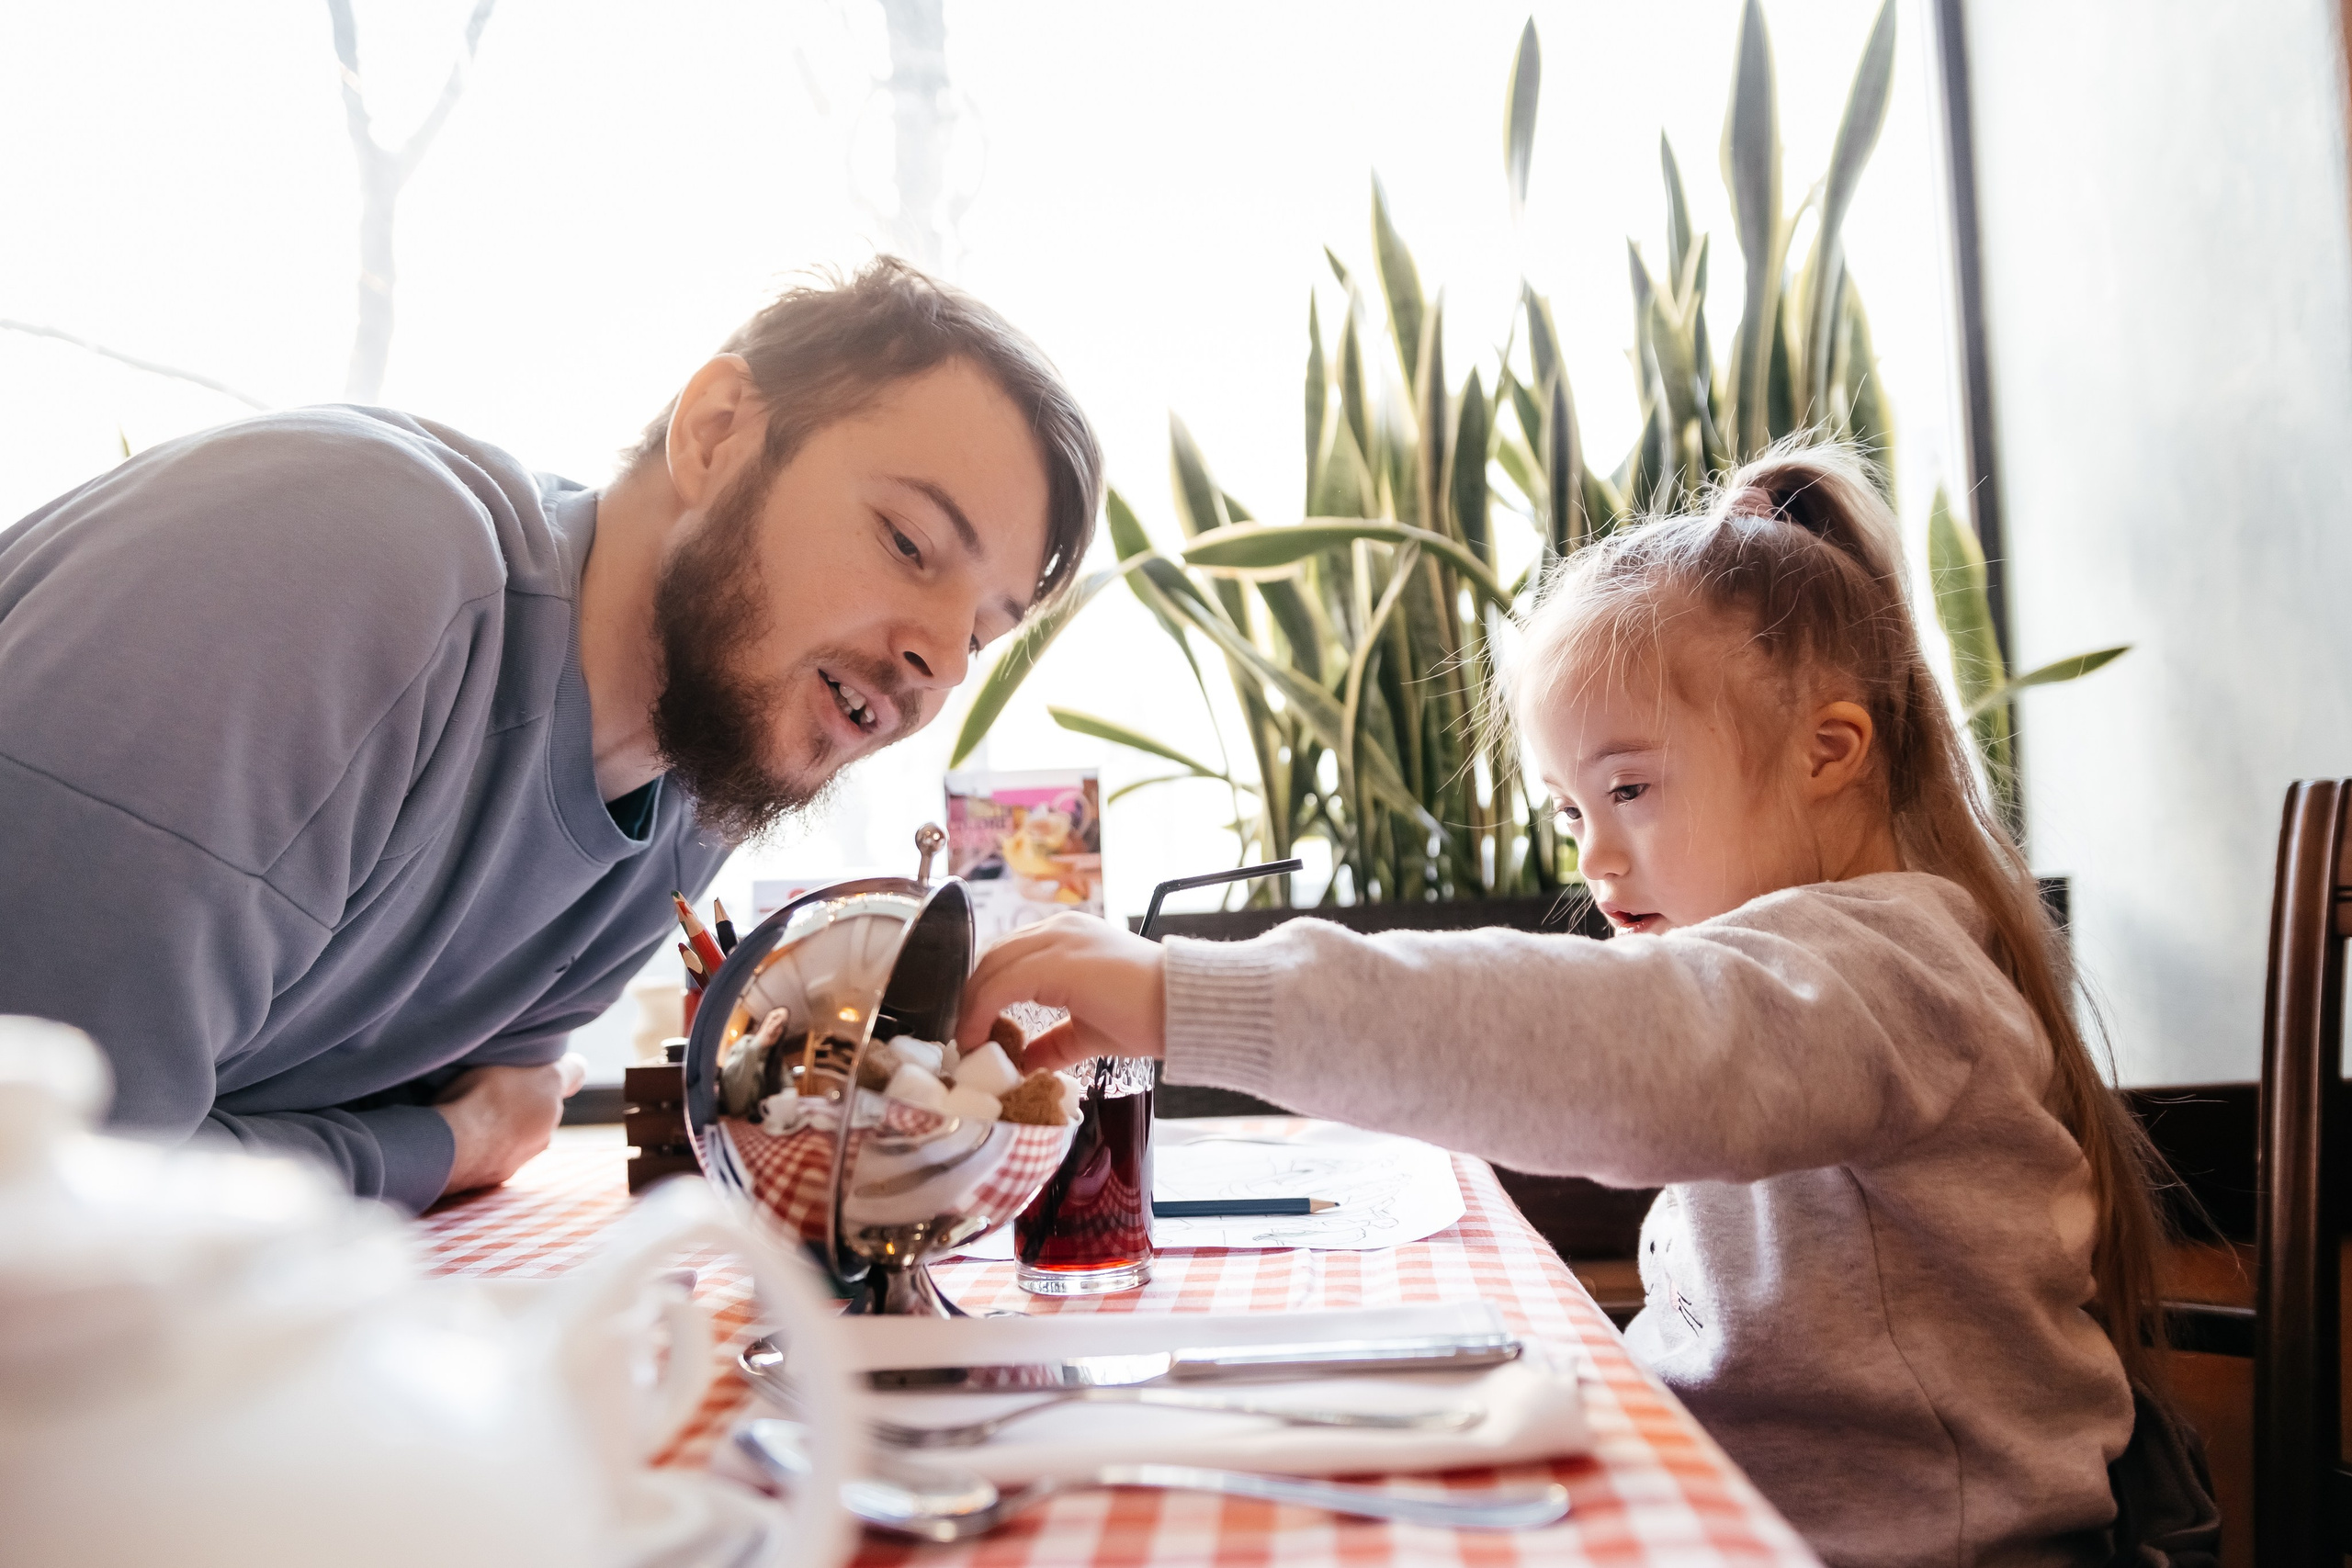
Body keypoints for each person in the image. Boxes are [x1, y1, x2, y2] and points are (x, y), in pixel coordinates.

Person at [956, 446, 2184, 1565]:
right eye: (1571, 812)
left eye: (1633, 786)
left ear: (1829, 750)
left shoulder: (1884, 974)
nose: (1596, 860)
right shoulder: (1821, 962)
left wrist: (1187, 989)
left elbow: (1628, 1044)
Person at [0, 258, 1102, 1213]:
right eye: (908, 540)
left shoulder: (687, 791)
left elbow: (492, 1108)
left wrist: (445, 1138)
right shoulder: (348, 559)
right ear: (717, 433)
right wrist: (440, 1149)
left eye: (984, 633)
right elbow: (50, 1201)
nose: (940, 662)